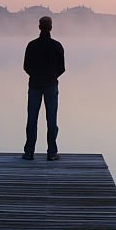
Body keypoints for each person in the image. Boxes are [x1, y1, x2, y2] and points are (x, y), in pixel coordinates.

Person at [22, 16, 65, 160]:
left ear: (39, 27)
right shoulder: (57, 46)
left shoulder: (32, 45)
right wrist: (52, 76)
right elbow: (62, 68)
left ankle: (29, 152)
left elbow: (26, 66)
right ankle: (51, 152)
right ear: (51, 27)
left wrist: (35, 75)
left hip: (34, 85)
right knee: (51, 119)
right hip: (51, 85)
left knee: (32, 119)